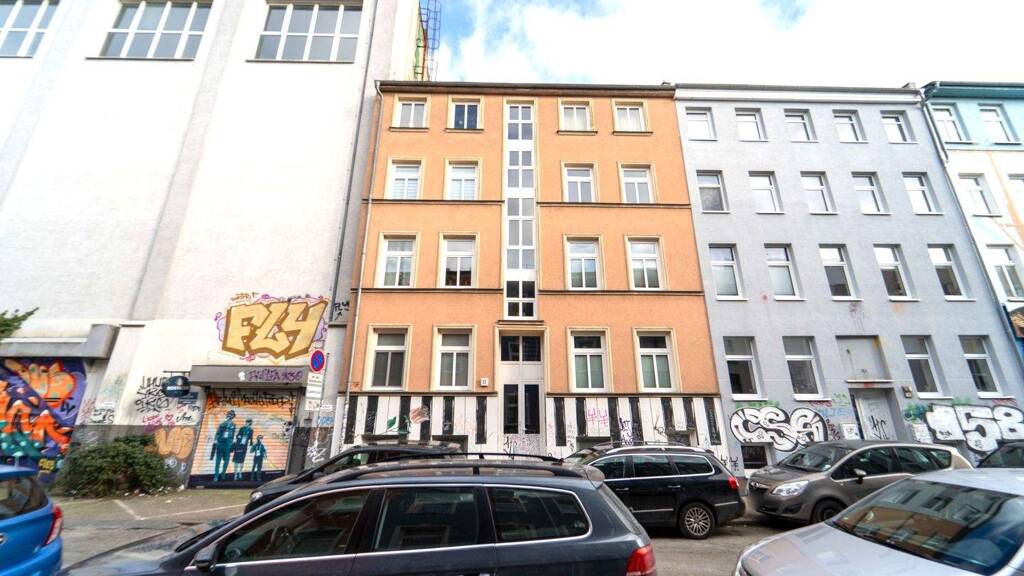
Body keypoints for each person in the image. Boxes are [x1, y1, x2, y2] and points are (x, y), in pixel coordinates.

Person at [210, 410, 236, 482]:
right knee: (218, 461)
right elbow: (217, 433)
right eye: (229, 415)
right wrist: (215, 440)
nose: (230, 416)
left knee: (226, 460)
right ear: (227, 416)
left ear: (233, 416)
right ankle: (216, 476)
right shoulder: (222, 424)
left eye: (231, 415)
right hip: (220, 443)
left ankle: (223, 474)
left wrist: (232, 442)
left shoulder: (233, 425)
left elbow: (233, 435)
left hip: (228, 444)